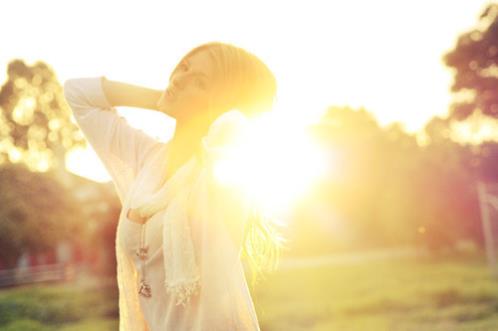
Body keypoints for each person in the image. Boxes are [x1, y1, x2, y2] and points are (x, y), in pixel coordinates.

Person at [63, 41, 282, 331]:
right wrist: (164, 97)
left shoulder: (223, 178)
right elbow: (78, 93)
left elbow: (234, 125)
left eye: (200, 82)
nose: (179, 77)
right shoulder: (145, 159)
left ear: (222, 103)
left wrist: (200, 105)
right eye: (184, 67)